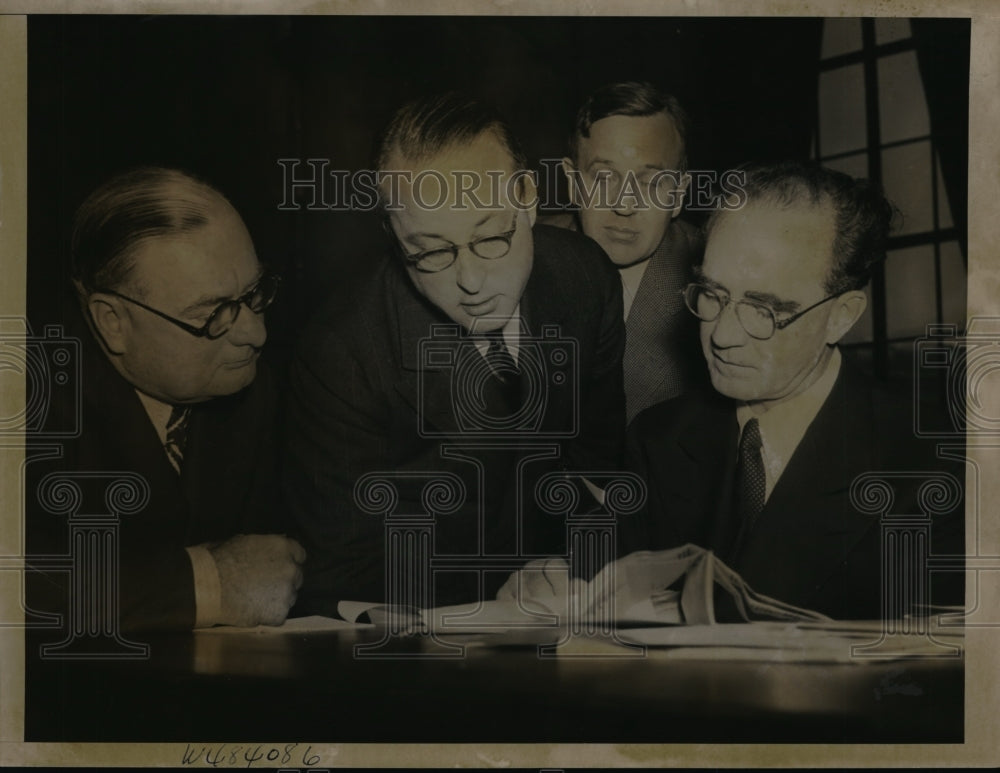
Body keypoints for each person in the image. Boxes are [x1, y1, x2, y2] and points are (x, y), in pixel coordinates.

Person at [284, 93, 626, 615]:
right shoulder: (342, 352)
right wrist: (496, 603)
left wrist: (570, 566)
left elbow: (603, 475)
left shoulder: (586, 278)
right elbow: (341, 576)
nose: (470, 282)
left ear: (529, 198)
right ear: (393, 238)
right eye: (430, 252)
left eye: (490, 236)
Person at [620, 160, 964, 620]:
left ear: (842, 315)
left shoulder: (938, 463)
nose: (722, 335)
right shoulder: (657, 439)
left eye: (764, 309)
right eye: (712, 294)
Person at [26, 167, 305, 631]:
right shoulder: (27, 398)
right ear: (112, 321)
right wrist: (209, 585)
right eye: (213, 314)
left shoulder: (248, 387)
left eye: (254, 295)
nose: (256, 333)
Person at [554, 82, 705, 422]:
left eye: (651, 183)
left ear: (679, 193)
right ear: (572, 181)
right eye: (605, 178)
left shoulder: (713, 276)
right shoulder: (521, 252)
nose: (624, 204)